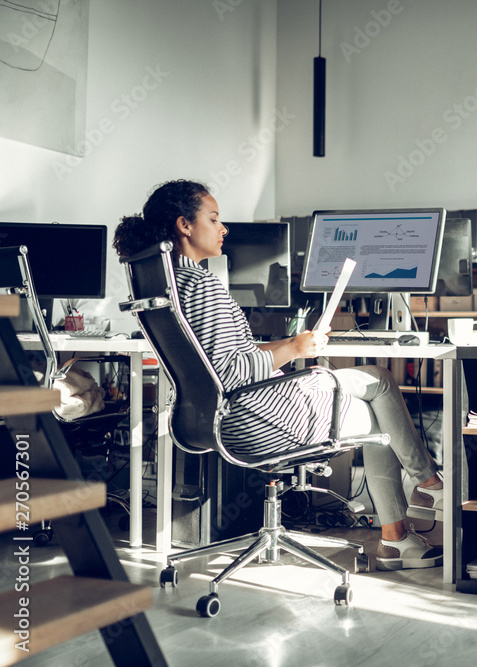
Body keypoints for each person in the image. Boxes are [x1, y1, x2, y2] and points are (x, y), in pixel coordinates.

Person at [114, 179, 445, 571]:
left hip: (210, 421)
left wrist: (291, 342)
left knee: (375, 389)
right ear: (184, 225)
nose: (224, 229)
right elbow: (230, 371)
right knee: (379, 396)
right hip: (252, 419)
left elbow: (226, 359)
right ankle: (421, 498)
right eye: (214, 219)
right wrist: (294, 350)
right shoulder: (202, 287)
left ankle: (405, 525)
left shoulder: (171, 283)